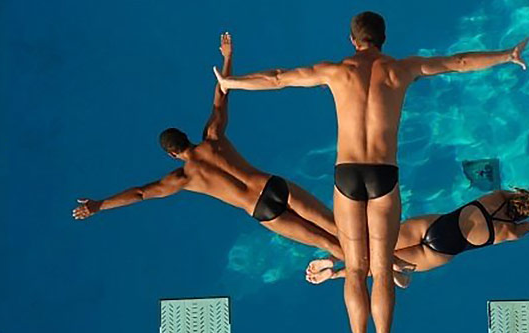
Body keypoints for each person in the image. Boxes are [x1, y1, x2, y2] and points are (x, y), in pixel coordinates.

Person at [214, 12, 529, 333]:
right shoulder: (400, 70)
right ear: (384, 38)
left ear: (352, 40)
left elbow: (280, 78)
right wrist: (506, 55)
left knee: (354, 268)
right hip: (384, 174)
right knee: (380, 269)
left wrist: (231, 81)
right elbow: (458, 62)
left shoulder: (335, 71)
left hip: (347, 174)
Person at [72, 33, 343, 260]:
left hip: (261, 210)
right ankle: (388, 254)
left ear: (171, 154)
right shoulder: (213, 137)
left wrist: (100, 205)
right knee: (339, 229)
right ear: (186, 137)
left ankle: (385, 272)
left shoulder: (184, 178)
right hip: (273, 185)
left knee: (330, 245)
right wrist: (227, 57)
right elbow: (221, 96)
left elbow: (141, 193)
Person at [306, 189, 529, 286]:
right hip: (442, 251)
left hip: (433, 226)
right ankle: (337, 275)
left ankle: (332, 257)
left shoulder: (496, 198)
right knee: (380, 266)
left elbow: (518, 193)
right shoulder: (510, 231)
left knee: (375, 242)